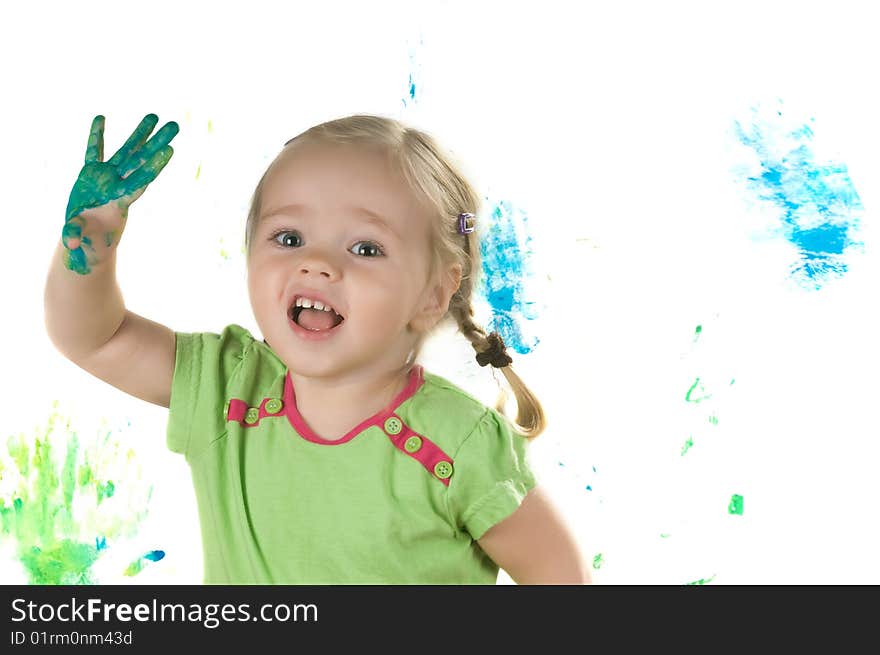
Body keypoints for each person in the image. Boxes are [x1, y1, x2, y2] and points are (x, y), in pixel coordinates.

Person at [44, 113, 591, 584]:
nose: (318, 263)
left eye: (365, 247)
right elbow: (96, 338)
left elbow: (564, 580)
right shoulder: (226, 388)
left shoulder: (458, 443)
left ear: (433, 294)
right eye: (289, 238)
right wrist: (90, 245)